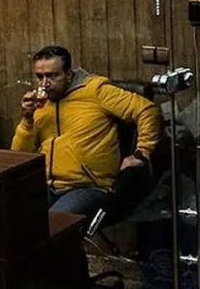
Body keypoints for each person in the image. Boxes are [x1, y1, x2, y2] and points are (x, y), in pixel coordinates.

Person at [11, 45, 161, 215]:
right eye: (40, 77)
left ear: (68, 74)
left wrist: (141, 153)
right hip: (48, 185)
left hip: (88, 186)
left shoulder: (95, 90)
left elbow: (147, 110)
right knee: (10, 215)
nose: (45, 84)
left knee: (56, 223)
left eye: (52, 76)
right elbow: (19, 156)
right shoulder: (41, 104)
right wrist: (27, 120)